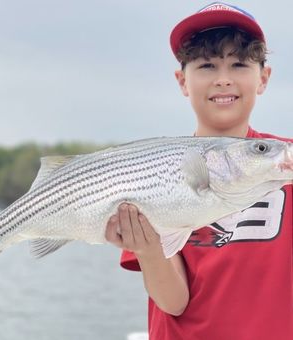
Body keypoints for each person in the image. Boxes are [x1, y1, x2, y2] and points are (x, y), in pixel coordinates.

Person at [105, 2, 293, 339]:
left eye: (238, 64)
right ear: (182, 81)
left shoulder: (284, 156)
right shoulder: (150, 173)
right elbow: (174, 302)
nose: (223, 80)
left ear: (263, 77)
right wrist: (148, 250)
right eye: (207, 66)